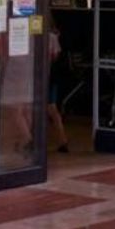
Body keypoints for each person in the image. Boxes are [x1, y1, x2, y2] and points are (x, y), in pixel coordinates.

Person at [47, 25, 69, 153]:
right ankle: (62, 140)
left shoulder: (49, 37)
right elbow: (56, 56)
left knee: (51, 109)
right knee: (52, 109)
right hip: (51, 77)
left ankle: (62, 140)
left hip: (45, 77)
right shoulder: (53, 37)